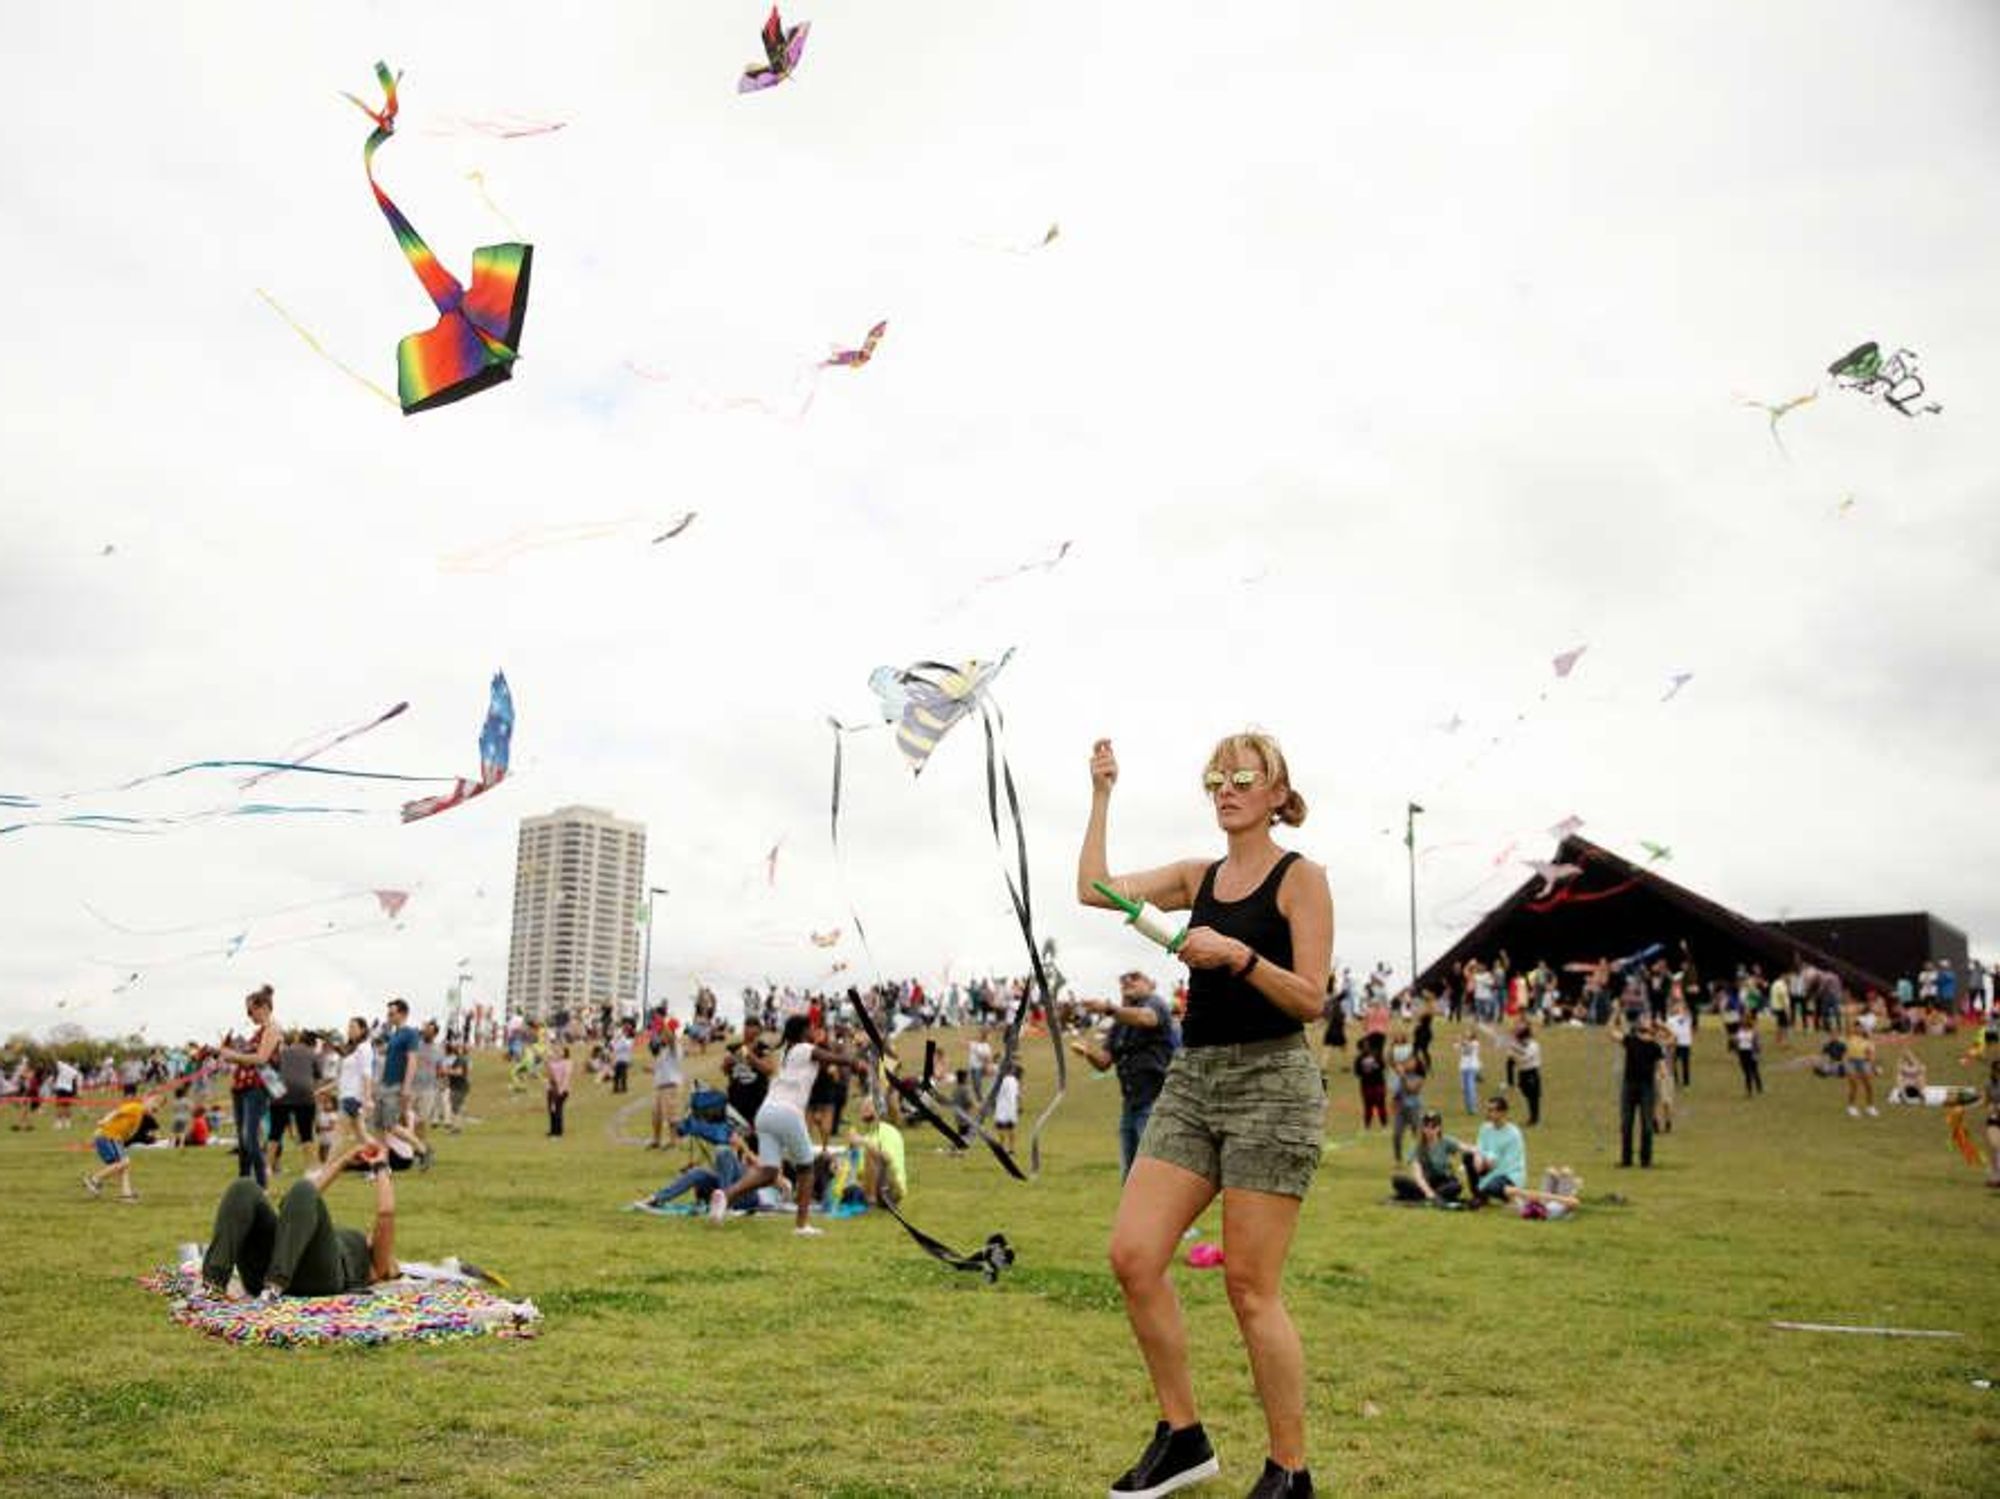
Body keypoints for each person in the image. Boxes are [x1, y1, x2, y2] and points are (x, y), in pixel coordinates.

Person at [1079, 731, 1332, 1499]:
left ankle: (1290, 1470)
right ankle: (1183, 1435)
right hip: (1196, 1079)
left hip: (1273, 1081)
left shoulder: (1301, 878)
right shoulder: (1200, 875)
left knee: (1251, 1287)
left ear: (1276, 793)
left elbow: (1314, 998)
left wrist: (1239, 956)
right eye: (1216, 776)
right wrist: (1102, 793)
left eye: (1244, 775)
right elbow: (1095, 888)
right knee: (1133, 1254)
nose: (1227, 786)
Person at [708, 1014, 864, 1235]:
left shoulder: (786, 1053)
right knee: (807, 1167)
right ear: (803, 1032)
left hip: (766, 1113)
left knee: (769, 1171)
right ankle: (802, 1225)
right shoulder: (803, 1048)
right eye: (811, 1028)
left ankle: (726, 1195)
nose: (814, 1031)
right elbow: (832, 1058)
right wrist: (855, 1062)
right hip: (787, 1112)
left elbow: (825, 1058)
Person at [199, 1141, 400, 1298]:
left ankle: (276, 1284)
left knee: (303, 1189)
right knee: (244, 1188)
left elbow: (386, 1213)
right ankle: (213, 1283)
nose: (375, 1231)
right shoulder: (324, 1238)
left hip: (316, 1281)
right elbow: (306, 1200)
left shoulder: (377, 1262)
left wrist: (381, 1166)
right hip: (266, 1271)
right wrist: (343, 1162)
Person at [1072, 970, 1178, 1179]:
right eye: (1123, 980)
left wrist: (1108, 1008)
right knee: (1130, 1177)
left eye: (1135, 977)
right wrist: (1088, 1050)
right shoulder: (1121, 1022)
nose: (1127, 981)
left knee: (1152, 1174)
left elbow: (1147, 1019)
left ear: (1151, 984)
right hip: (1131, 1105)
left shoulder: (1155, 1003)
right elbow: (1104, 1062)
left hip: (1156, 1102)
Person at [214, 985, 281, 1187]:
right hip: (241, 1087)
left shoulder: (273, 1029)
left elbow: (261, 1059)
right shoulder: (259, 1032)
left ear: (264, 1008)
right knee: (243, 1140)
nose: (249, 1015)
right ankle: (243, 1183)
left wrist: (233, 1054)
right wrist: (226, 1051)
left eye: (251, 1010)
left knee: (249, 1137)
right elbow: (246, 1058)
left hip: (257, 1088)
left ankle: (262, 1185)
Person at [83, 1090, 165, 1203]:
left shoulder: (140, 1114)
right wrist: (105, 1120)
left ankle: (126, 1195)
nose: (157, 1106)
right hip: (109, 1136)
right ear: (146, 1099)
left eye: (160, 1106)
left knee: (124, 1166)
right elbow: (117, 1111)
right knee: (124, 1162)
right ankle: (94, 1179)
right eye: (155, 1102)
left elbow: (127, 1131)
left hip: (114, 1139)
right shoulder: (136, 1107)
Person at [1612, 1011, 1664, 1168]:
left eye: (1647, 1020)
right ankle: (1626, 1159)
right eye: (1643, 1019)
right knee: (1626, 1123)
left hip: (1646, 1087)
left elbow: (1661, 1065)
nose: (1644, 1022)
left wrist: (1661, 1074)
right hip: (1629, 1085)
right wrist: (1615, 1014)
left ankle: (1645, 1160)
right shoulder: (1630, 1040)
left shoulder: (1655, 1046)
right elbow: (1611, 1033)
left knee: (1647, 1125)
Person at [266, 1031, 320, 1181]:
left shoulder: (284, 1051)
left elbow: (272, 1068)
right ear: (313, 1044)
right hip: (304, 1095)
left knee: (275, 1133)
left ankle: (267, 1168)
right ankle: (310, 1169)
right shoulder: (312, 1053)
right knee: (307, 1134)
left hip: (280, 1095)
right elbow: (317, 1076)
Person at [1460, 1095, 1526, 1206]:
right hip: (1489, 1166)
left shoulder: (1513, 1134)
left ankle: (1510, 1196)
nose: (1488, 1113)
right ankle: (1479, 1195)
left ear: (1503, 1113)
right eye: (1487, 1110)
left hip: (1508, 1174)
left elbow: (1508, 1164)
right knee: (1468, 1157)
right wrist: (1479, 1158)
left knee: (1492, 1187)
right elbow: (1480, 1148)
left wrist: (1487, 1162)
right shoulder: (1485, 1128)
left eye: (1491, 1110)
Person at [1390, 1109, 1462, 1205]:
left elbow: (1467, 1148)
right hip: (1425, 1182)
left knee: (1456, 1186)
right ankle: (1434, 1197)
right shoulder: (1417, 1147)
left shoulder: (1446, 1141)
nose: (1430, 1130)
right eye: (1426, 1126)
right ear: (1423, 1128)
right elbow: (1418, 1176)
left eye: (1433, 1127)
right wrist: (1428, 1192)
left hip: (1443, 1182)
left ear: (1439, 1128)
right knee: (1397, 1180)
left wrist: (1480, 1153)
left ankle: (1422, 1197)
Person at [849, 1093, 908, 1207]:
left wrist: (862, 1142)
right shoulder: (869, 1134)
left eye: (868, 1106)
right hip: (875, 1185)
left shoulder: (887, 1131)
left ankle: (871, 1200)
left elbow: (887, 1158)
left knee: (871, 1152)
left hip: (891, 1189)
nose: (863, 1109)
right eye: (862, 1107)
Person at [377, 999, 420, 1137]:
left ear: (403, 1014)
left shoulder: (410, 1033)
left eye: (392, 1013)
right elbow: (386, 1058)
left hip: (397, 1085)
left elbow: (412, 1061)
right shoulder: (394, 1035)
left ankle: (421, 1149)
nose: (389, 1016)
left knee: (390, 1124)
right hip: (385, 1084)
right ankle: (383, 1156)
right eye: (388, 1014)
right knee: (378, 1123)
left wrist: (406, 1087)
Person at [647, 1019, 684, 1149]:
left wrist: (662, 1025)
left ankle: (673, 1141)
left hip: (670, 1086)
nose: (661, 1036)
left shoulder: (675, 1047)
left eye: (663, 1034)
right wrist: (650, 1069)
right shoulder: (663, 1051)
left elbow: (670, 1038)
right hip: (659, 1086)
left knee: (671, 1114)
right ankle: (656, 1140)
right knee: (655, 1114)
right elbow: (660, 1067)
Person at [1843, 1017, 1878, 1117]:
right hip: (1851, 1062)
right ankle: (1851, 1107)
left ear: (1864, 1028)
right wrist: (1848, 1013)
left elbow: (1871, 1054)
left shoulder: (1868, 1040)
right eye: (1856, 1027)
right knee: (1854, 1085)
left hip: (1864, 1062)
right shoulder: (1850, 1036)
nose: (1858, 1028)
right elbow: (1847, 1025)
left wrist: (1873, 1065)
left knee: (1868, 1085)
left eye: (1860, 1027)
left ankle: (1870, 1107)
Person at [1513, 1022, 1544, 1126]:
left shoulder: (1533, 1045)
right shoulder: (1520, 1045)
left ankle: (1535, 1119)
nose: (1519, 1041)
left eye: (1521, 1039)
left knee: (1533, 1097)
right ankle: (1532, 1117)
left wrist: (1515, 1052)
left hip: (1531, 1072)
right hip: (1522, 1072)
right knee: (1525, 1092)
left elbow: (1524, 1059)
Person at [992, 1063, 1022, 1156]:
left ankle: (1001, 1147)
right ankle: (1012, 1149)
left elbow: (995, 1093)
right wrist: (1019, 1106)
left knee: (1000, 1128)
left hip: (1001, 1108)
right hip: (1011, 1109)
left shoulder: (999, 1081)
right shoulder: (1015, 1081)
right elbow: (1018, 1095)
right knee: (1011, 1129)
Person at [1734, 1012, 1765, 1096]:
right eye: (1742, 1019)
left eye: (1744, 1019)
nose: (1743, 1021)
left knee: (1753, 1071)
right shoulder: (1739, 1031)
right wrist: (1736, 1049)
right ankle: (1750, 1089)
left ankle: (1757, 1087)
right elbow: (1736, 1042)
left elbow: (1757, 1044)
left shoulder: (1753, 1031)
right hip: (1742, 1052)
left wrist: (1757, 1053)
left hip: (1750, 1052)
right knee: (1746, 1072)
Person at [546, 1046, 573, 1137]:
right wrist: (549, 1063)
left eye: (560, 1051)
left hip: (562, 1090)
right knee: (551, 1110)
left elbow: (566, 1077)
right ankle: (553, 1130)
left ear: (565, 1053)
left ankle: (558, 1132)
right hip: (552, 1089)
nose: (557, 1052)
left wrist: (561, 1089)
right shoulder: (552, 1062)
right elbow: (550, 1076)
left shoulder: (568, 1062)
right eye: (556, 1051)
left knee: (557, 1109)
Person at [1454, 1028, 1481, 1116]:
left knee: (1471, 1087)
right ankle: (1468, 1107)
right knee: (1465, 1089)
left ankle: (1473, 1107)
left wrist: (1461, 1041)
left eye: (1469, 1032)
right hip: (1463, 1068)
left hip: (1472, 1067)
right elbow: (1455, 1047)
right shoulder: (1464, 1043)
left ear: (1472, 1035)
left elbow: (1469, 1048)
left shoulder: (1475, 1043)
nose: (1466, 1033)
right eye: (1466, 1032)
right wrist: (1458, 1041)